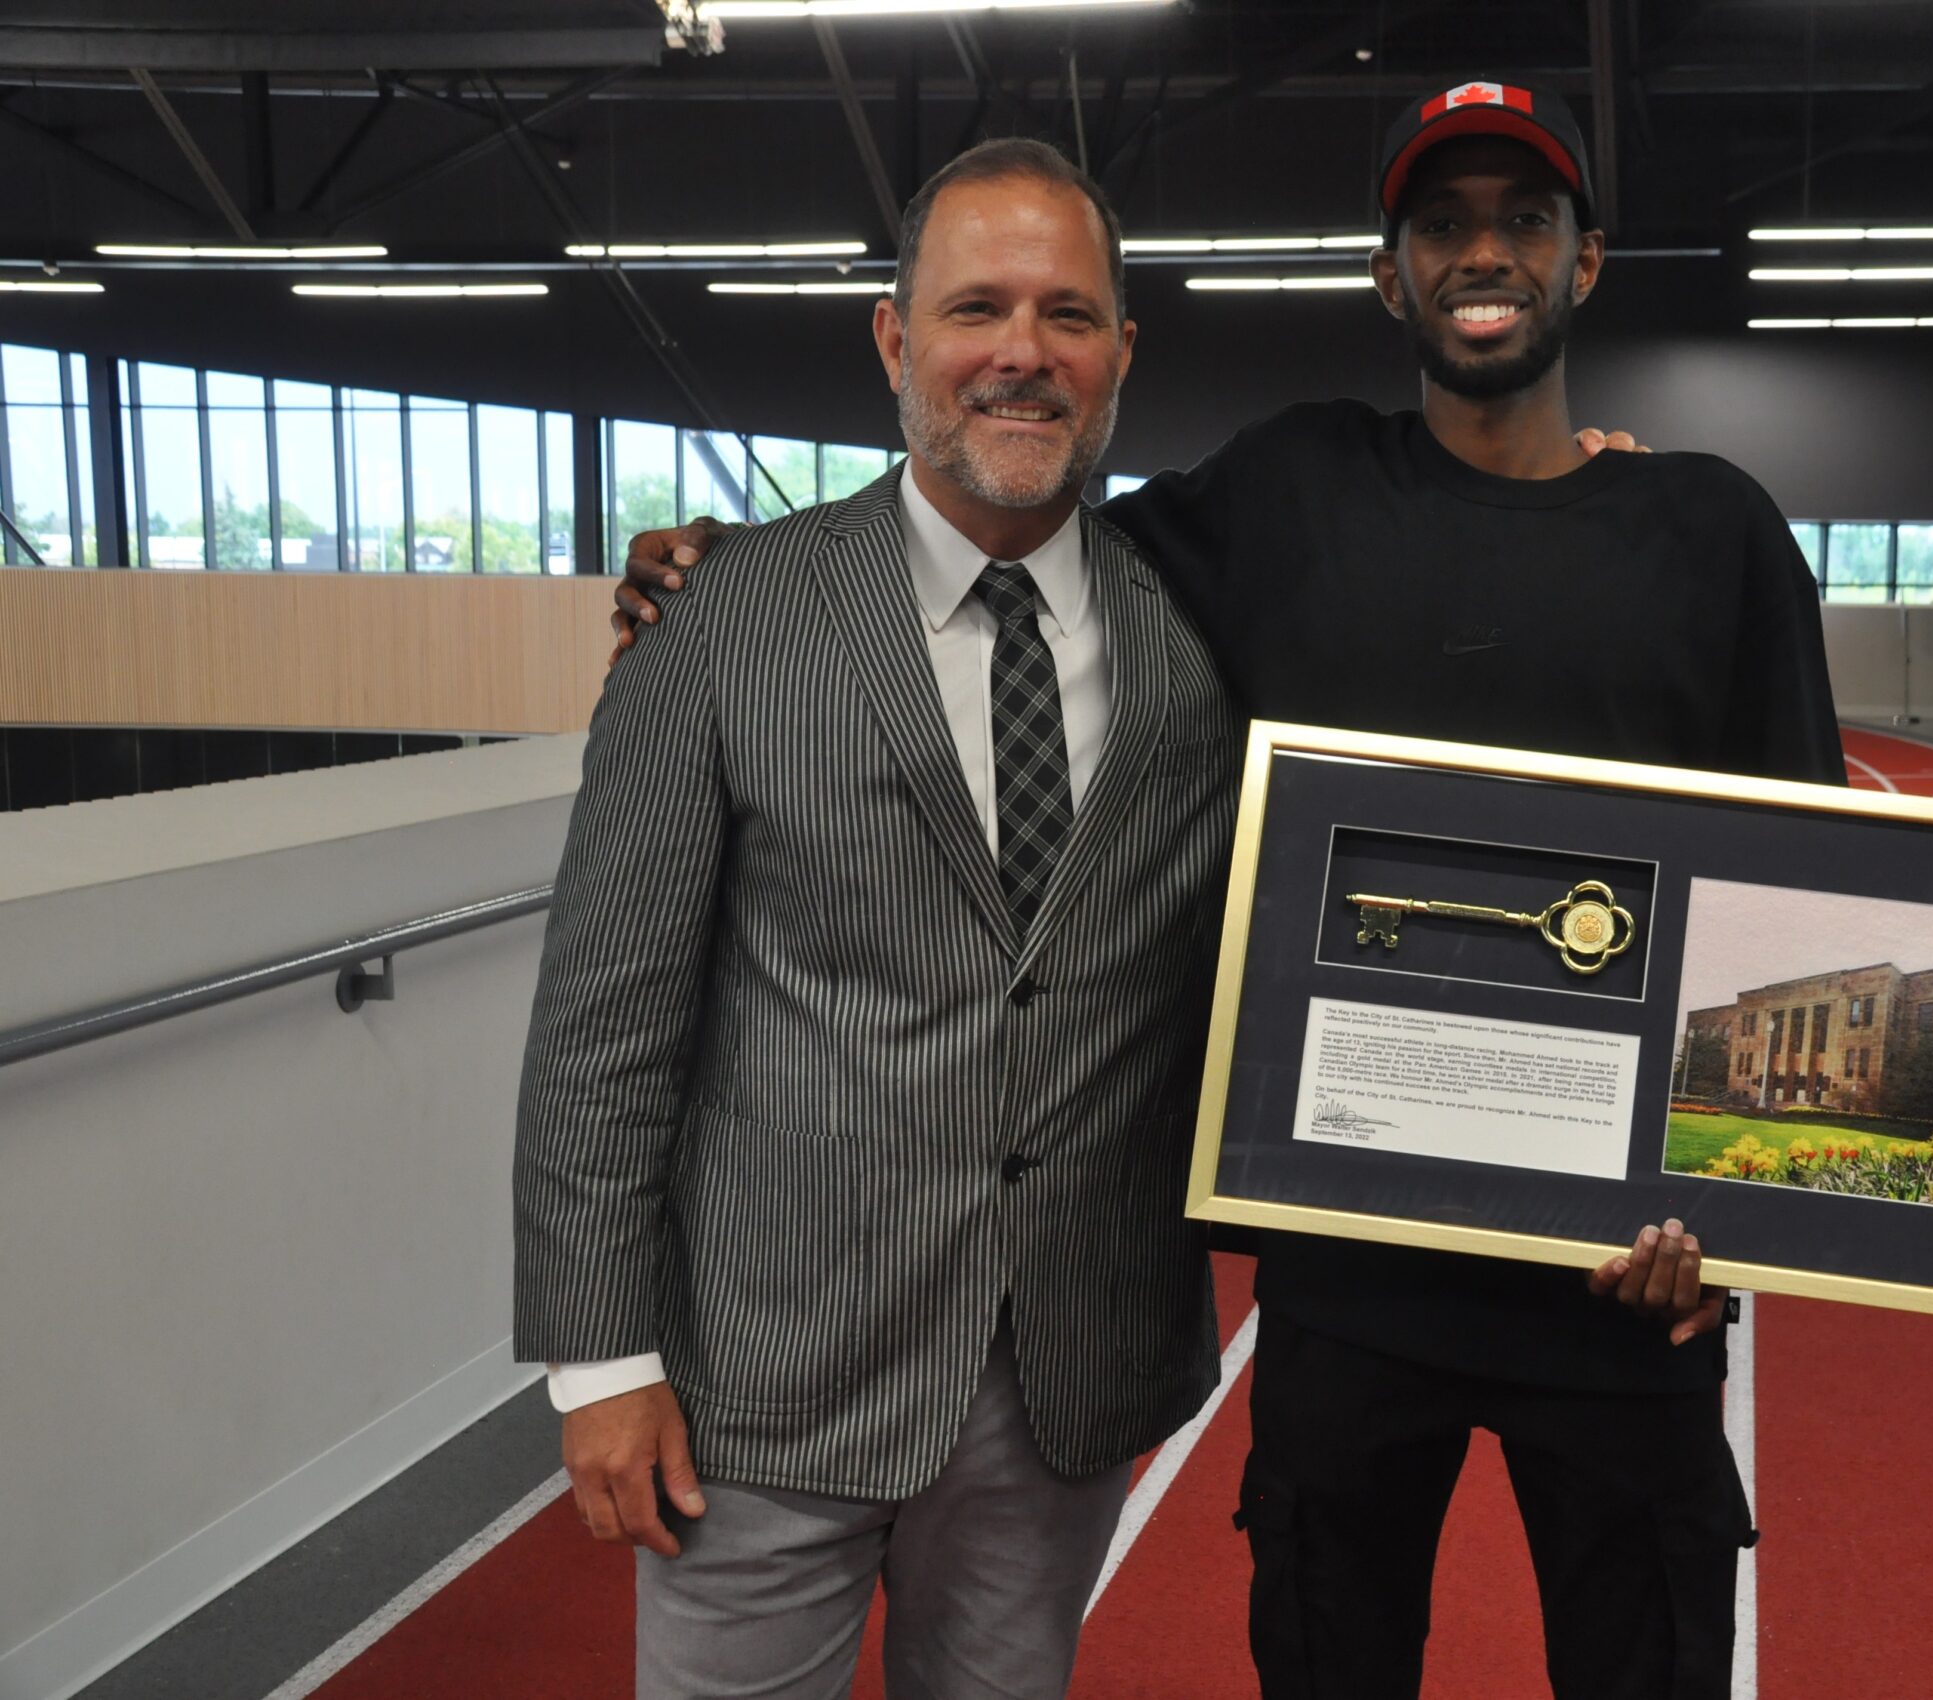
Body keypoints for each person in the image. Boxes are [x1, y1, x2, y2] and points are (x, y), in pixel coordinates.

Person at [614, 84, 1841, 1699]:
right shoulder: (1288, 495)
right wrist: (739, 565)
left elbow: (1802, 902)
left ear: (1586, 264)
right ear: (1388, 276)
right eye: (1444, 227)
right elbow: (1013, 511)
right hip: (1353, 1281)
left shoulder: (1716, 533)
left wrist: (1731, 1224)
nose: (1487, 253)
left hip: (1623, 1291)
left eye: (1524, 223)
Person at [512, 138, 1250, 1700]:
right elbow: (602, 1030)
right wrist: (604, 1362)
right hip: (765, 1374)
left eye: (1068, 313)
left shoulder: (1198, 635)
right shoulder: (719, 625)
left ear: (1122, 350)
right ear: (895, 340)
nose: (1022, 353)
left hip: (1062, 1378)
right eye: (977, 306)